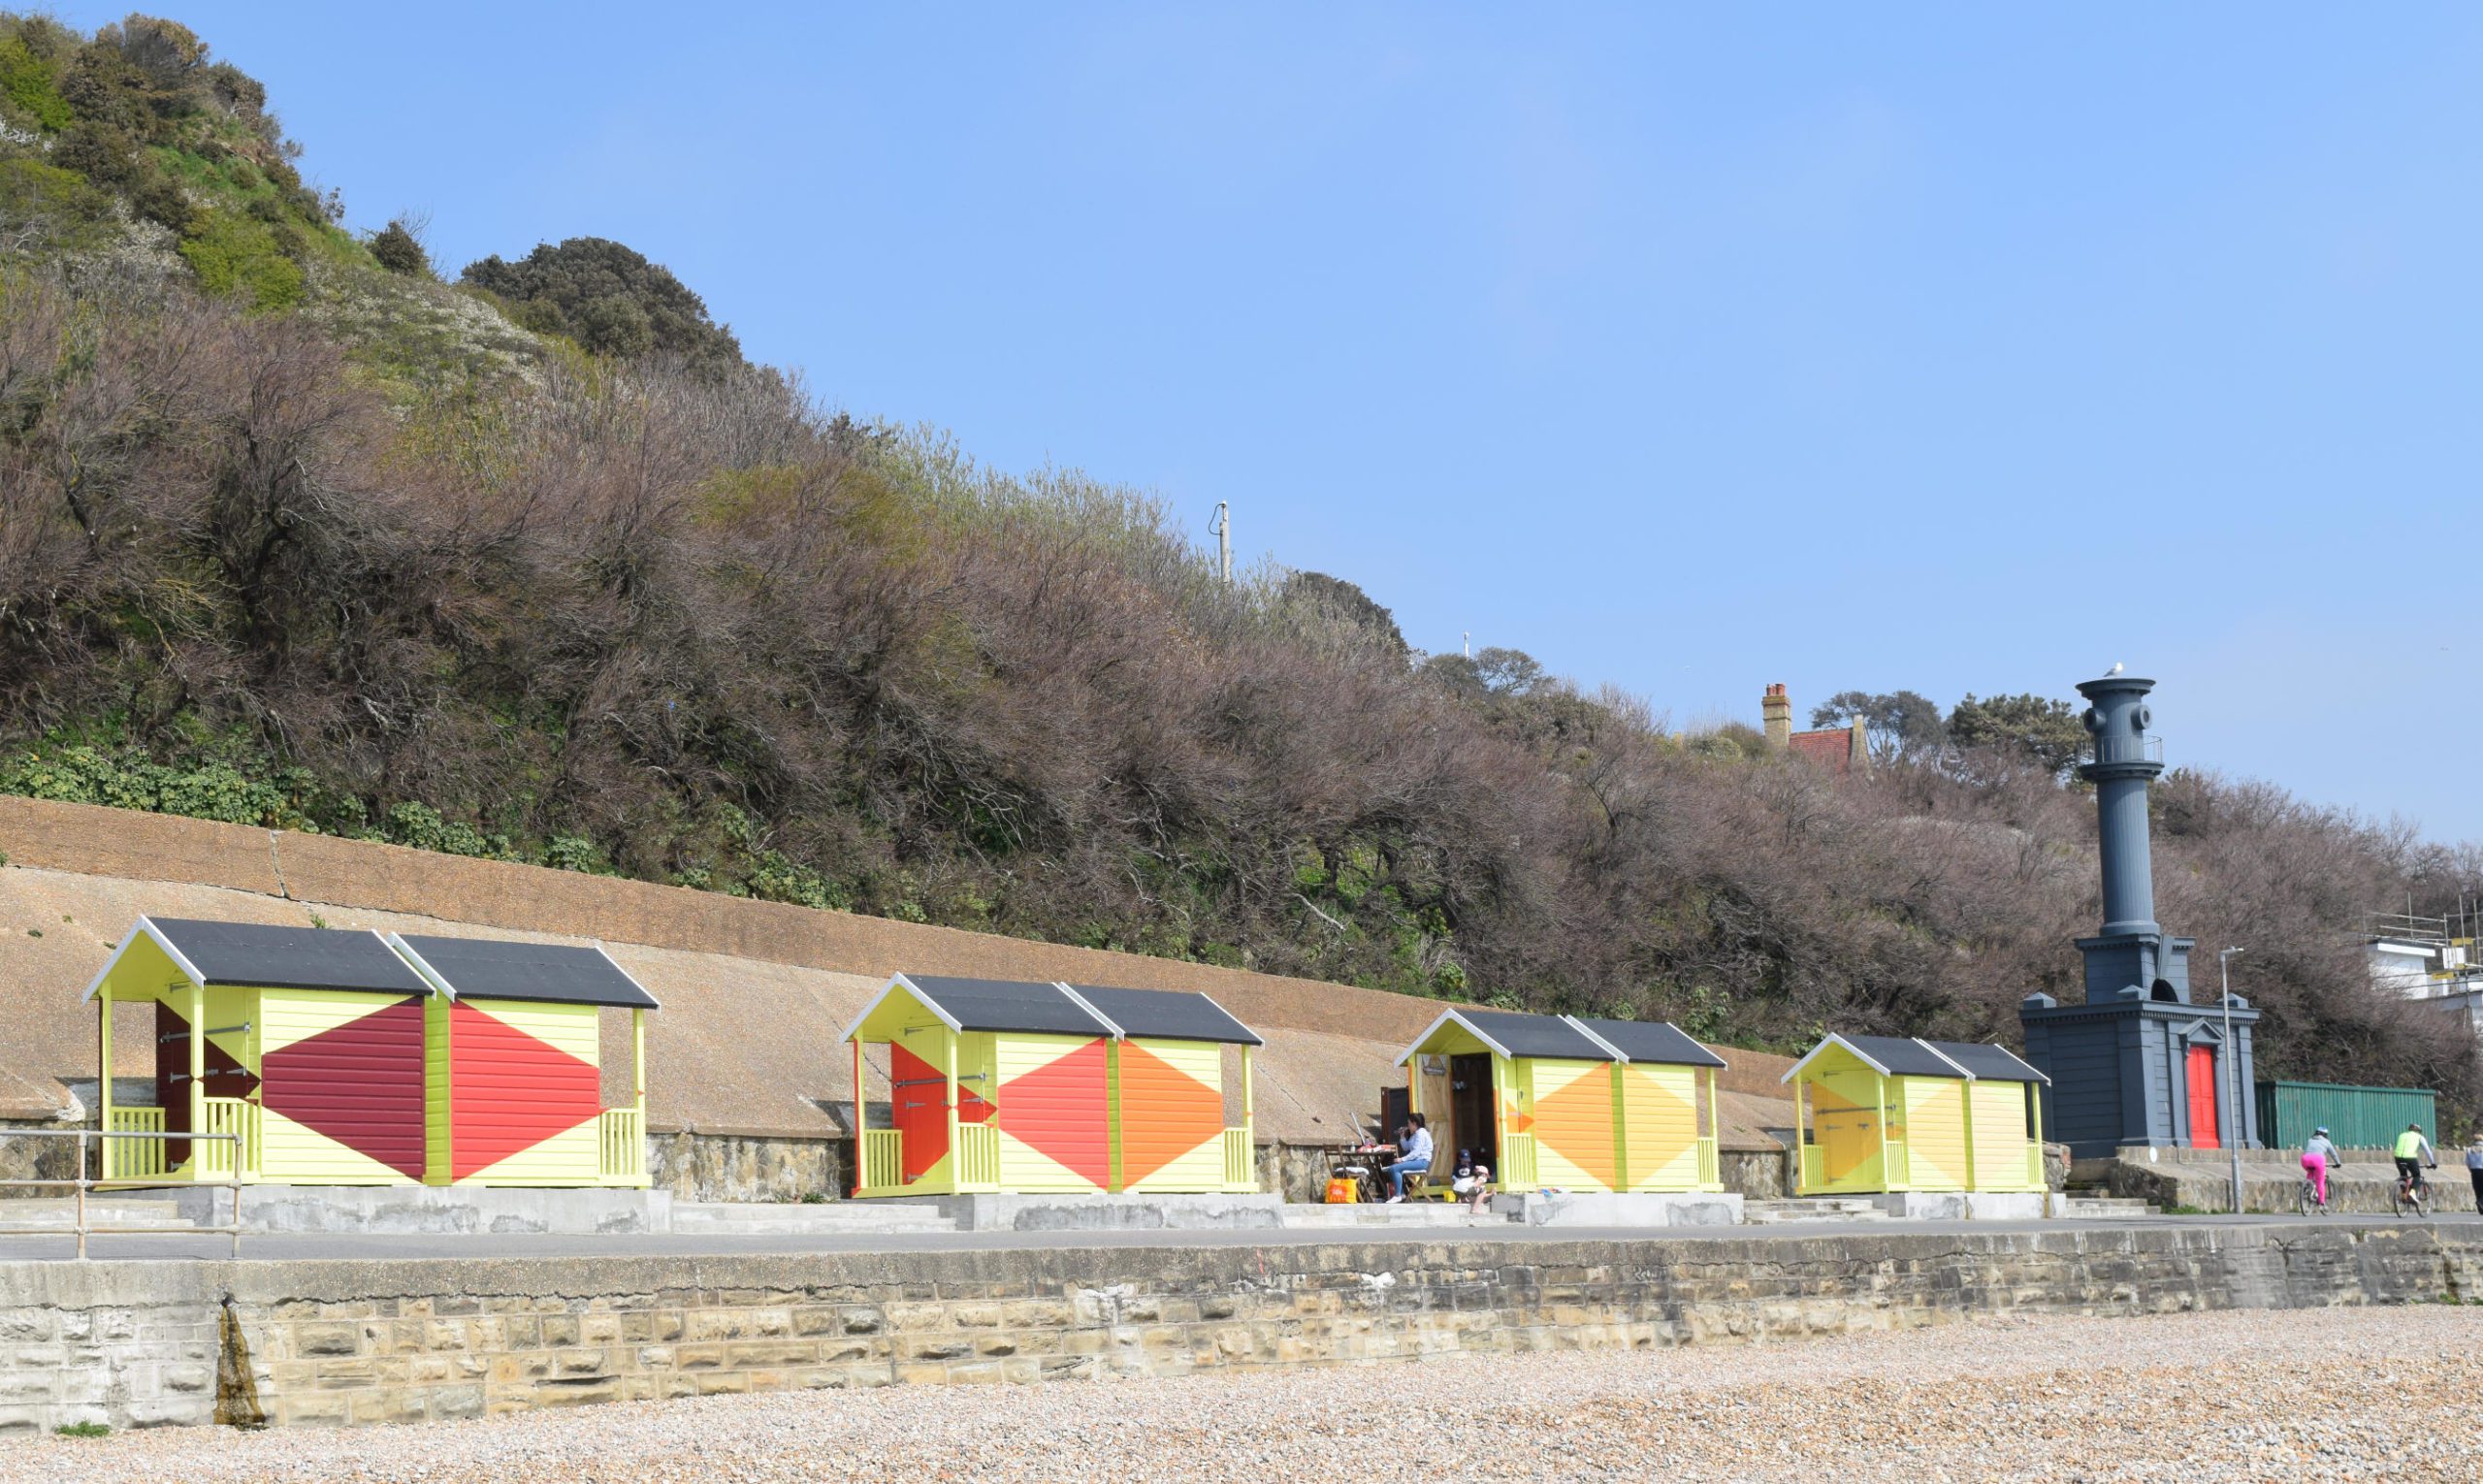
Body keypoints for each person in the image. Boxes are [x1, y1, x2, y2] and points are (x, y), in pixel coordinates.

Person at [1383, 1113, 1433, 1202]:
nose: (1408, 1126)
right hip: (1417, 1161)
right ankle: (1401, 1194)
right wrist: (1402, 1136)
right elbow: (1406, 1147)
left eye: (1409, 1124)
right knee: (1393, 1168)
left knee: (1394, 1169)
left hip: (1422, 1162)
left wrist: (1402, 1159)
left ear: (1414, 1124)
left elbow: (1416, 1153)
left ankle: (1397, 1195)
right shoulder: (1415, 1134)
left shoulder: (1421, 1133)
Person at [2393, 1122, 2436, 1202]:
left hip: (2398, 1157)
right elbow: (2427, 1151)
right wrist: (2433, 1163)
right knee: (2416, 1175)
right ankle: (2412, 1193)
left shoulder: (2401, 1135)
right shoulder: (2419, 1137)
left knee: (2403, 1175)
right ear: (2418, 1131)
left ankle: (2403, 1195)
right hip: (2410, 1158)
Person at [2300, 1127, 2339, 1210]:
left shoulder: (2310, 1140)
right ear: (2325, 1135)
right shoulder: (2326, 1142)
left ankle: (2307, 1188)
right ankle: (2322, 1203)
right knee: (2320, 1181)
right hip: (2318, 1160)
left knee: (2310, 1172)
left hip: (2305, 1159)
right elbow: (2333, 1154)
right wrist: (2338, 1163)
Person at [2466, 1134, 2483, 1217]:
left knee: (2477, 1189)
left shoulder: (2469, 1150)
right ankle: (2480, 1202)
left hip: (2474, 1171)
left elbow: (2467, 1162)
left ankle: (2480, 1209)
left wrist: (2471, 1169)